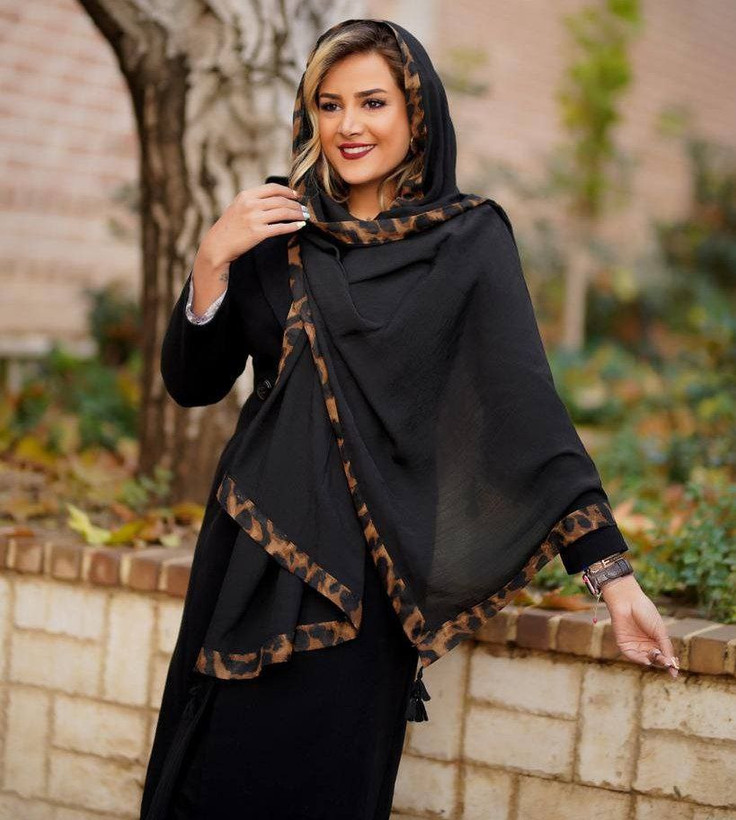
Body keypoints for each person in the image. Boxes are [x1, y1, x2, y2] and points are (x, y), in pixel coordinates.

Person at [139, 18, 679, 820]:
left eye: (372, 102)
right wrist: (211, 259)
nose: (348, 126)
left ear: (417, 111)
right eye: (329, 104)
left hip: (366, 572)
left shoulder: (467, 240)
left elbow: (525, 410)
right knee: (209, 779)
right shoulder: (277, 227)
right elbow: (193, 385)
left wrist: (613, 579)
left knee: (327, 788)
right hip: (251, 551)